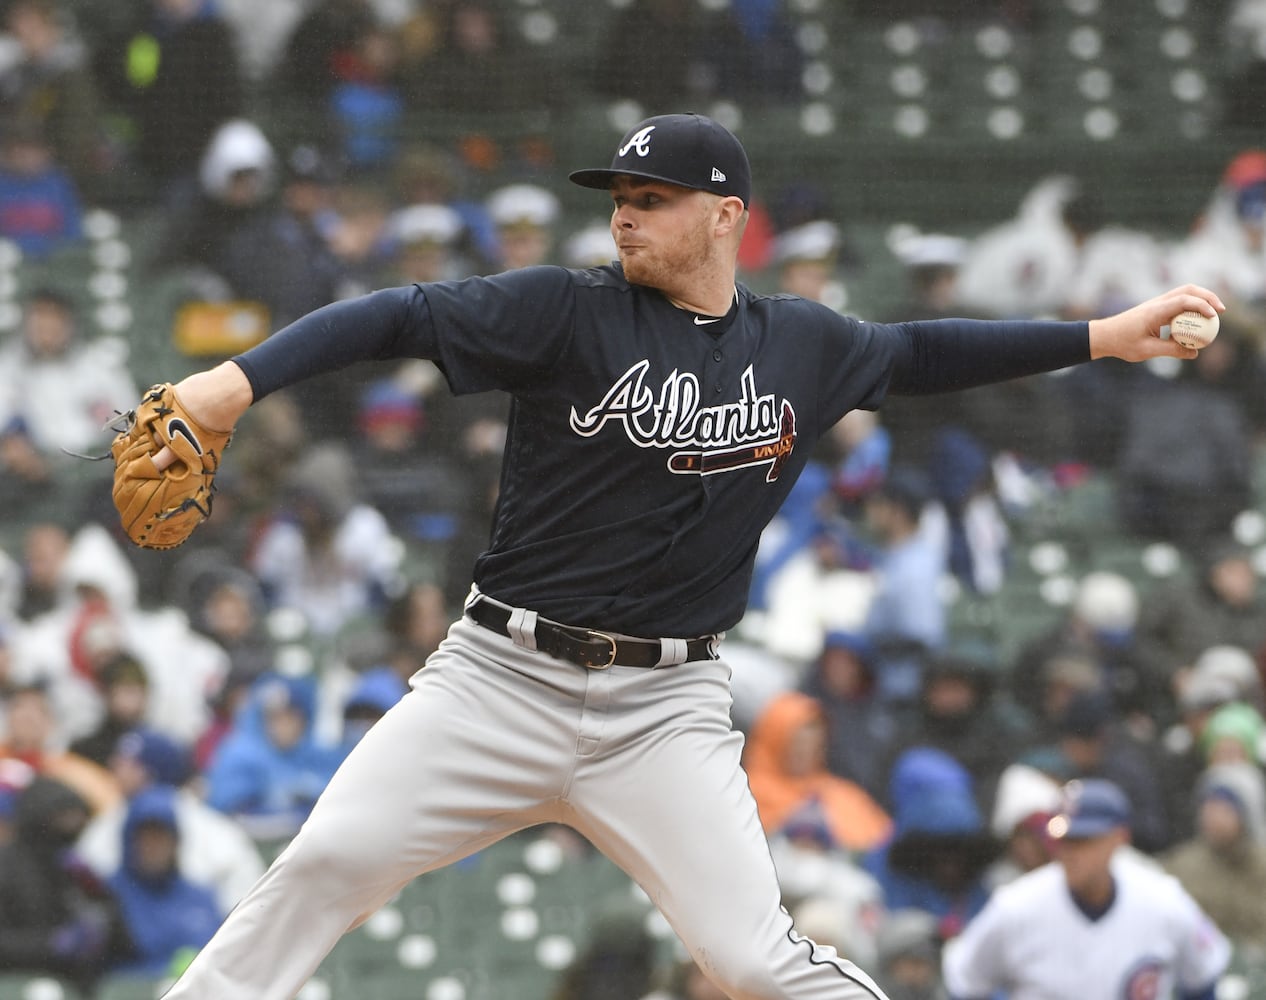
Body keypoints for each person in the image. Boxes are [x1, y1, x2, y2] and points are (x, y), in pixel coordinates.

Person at [142, 112, 1221, 999]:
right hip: (497, 680)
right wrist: (229, 383)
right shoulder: (564, 311)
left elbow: (923, 350)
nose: (624, 214)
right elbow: (397, 316)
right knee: (322, 868)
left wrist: (1105, 334)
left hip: (663, 711)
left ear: (726, 217)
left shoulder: (802, 344)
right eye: (618, 197)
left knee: (756, 961)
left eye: (650, 198)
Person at [942, 778, 1231, 1000]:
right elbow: (965, 982)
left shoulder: (1164, 901)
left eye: (1084, 840)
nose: (1070, 852)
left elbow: (1203, 981)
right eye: (1064, 839)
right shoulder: (1016, 906)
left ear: (1119, 838)